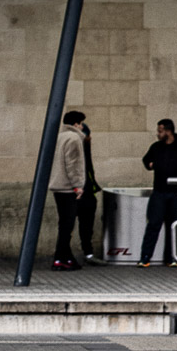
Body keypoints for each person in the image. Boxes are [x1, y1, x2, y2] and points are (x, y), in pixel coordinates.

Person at [140, 118, 177, 266]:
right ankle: (145, 256)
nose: (158, 134)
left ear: (168, 131)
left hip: (176, 192)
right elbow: (146, 160)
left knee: (175, 226)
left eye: (160, 131)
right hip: (159, 191)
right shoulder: (156, 147)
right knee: (154, 224)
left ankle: (171, 257)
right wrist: (151, 164)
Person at [50, 111, 88, 271]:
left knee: (64, 224)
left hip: (58, 185)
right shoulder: (74, 138)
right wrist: (78, 185)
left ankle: (66, 257)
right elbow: (73, 164)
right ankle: (60, 258)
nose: (82, 127)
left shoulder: (59, 137)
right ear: (75, 124)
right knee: (67, 225)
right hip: (68, 187)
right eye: (81, 123)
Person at [77, 118, 102, 262]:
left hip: (87, 190)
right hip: (80, 191)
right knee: (81, 225)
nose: (90, 139)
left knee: (86, 225)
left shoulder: (85, 150)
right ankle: (87, 252)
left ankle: (88, 252)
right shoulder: (79, 148)